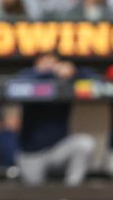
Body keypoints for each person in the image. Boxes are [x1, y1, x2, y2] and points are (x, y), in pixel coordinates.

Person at [17, 52, 96, 186]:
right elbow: (19, 81)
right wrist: (49, 72)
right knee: (34, 193)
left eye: (53, 63)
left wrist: (74, 71)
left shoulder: (65, 81)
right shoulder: (29, 76)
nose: (50, 66)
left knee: (84, 143)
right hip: (31, 154)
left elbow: (94, 78)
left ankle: (72, 191)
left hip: (58, 150)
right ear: (36, 64)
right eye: (44, 62)